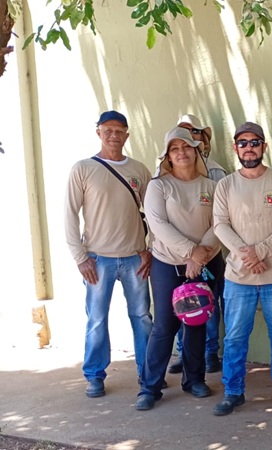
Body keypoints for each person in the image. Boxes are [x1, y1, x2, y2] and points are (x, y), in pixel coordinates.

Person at [211, 121, 272, 416]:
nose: (248, 148)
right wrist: (246, 255)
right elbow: (220, 225)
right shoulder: (226, 185)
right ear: (235, 148)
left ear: (264, 146)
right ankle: (233, 391)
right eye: (243, 143)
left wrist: (260, 251)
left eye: (254, 142)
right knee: (235, 336)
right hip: (239, 277)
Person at [64, 110, 153, 398]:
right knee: (97, 320)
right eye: (108, 130)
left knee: (142, 317)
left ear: (127, 134)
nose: (114, 135)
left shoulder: (139, 170)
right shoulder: (83, 168)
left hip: (134, 259)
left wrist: (149, 250)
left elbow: (155, 212)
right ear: (99, 132)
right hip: (97, 260)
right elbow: (69, 214)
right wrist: (80, 257)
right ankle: (94, 376)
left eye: (119, 130)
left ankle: (148, 373)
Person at [135, 127, 224, 410]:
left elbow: (219, 224)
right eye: (175, 149)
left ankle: (194, 380)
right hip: (167, 264)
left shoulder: (211, 187)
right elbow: (158, 224)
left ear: (196, 152)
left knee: (196, 323)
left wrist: (199, 257)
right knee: (164, 326)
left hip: (204, 264)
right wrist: (190, 252)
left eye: (187, 147)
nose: (182, 153)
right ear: (168, 157)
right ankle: (149, 388)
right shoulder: (159, 186)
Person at [168, 114, 228, 375]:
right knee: (183, 302)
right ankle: (185, 354)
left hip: (209, 251)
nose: (188, 137)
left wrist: (201, 252)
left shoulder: (215, 172)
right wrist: (187, 250)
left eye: (193, 132)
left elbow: (221, 215)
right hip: (178, 254)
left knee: (207, 302)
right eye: (183, 132)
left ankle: (210, 352)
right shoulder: (167, 175)